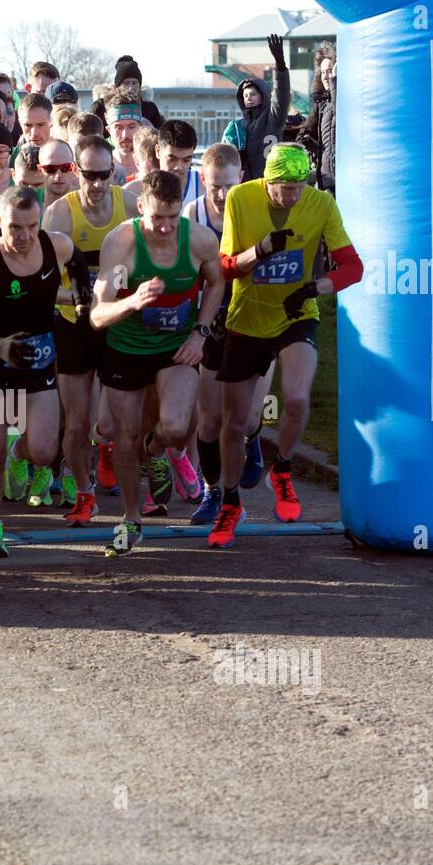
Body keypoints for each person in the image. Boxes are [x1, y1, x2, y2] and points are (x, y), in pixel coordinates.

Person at [209, 143, 362, 548]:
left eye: (300, 187)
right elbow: (225, 268)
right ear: (268, 182)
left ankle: (283, 469)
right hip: (247, 318)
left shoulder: (320, 203)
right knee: (235, 423)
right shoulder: (241, 198)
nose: (294, 196)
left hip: (297, 313)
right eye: (286, 189)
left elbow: (353, 267)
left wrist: (315, 287)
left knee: (295, 397)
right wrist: (258, 251)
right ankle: (230, 501)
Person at [91, 170, 225, 556]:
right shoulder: (122, 245)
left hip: (175, 348)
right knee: (124, 438)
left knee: (176, 426)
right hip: (126, 349)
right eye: (156, 218)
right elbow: (98, 314)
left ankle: (157, 450)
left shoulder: (199, 240)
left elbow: (216, 282)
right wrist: (133, 301)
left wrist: (200, 333)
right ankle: (131, 519)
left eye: (172, 217)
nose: (165, 227)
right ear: (140, 207)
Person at [0, 186, 87, 558]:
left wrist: (81, 299)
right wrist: (0, 347)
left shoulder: (55, 245)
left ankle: (21, 453)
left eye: (32, 226)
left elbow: (77, 259)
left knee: (45, 451)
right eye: (15, 227)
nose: (25, 236)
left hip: (36, 361)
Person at [40, 135, 138, 521]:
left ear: (113, 172)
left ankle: (108, 451)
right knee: (77, 423)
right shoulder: (59, 216)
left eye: (103, 175)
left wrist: (123, 296)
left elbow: (147, 260)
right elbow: (42, 284)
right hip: (73, 324)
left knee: (109, 423)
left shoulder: (129, 205)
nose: (96, 184)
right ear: (76, 172)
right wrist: (79, 297)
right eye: (88, 176)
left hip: (115, 324)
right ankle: (83, 493)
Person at [183, 143, 252, 527]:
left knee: (249, 418)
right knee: (209, 419)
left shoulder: (255, 209)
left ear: (241, 177)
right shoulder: (193, 215)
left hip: (253, 322)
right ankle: (215, 492)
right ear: (202, 180)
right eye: (215, 187)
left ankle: (254, 441)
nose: (223, 195)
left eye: (229, 186)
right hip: (211, 322)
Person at [223, 34, 291, 181]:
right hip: (247, 186)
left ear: (263, 95)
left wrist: (280, 65)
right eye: (245, 95)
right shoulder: (239, 127)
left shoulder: (273, 117)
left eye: (253, 94)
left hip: (272, 183)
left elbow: (281, 95)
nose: (248, 98)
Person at [297, 42, 337, 194]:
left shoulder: (346, 100)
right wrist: (312, 145)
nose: (325, 77)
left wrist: (335, 85)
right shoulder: (321, 105)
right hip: (327, 180)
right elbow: (302, 135)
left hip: (347, 177)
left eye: (330, 71)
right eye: (322, 72)